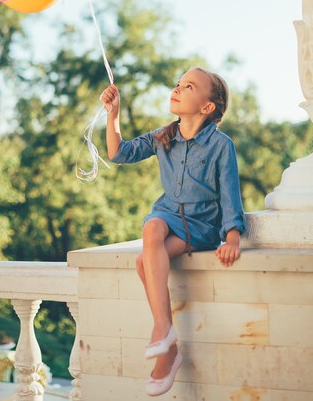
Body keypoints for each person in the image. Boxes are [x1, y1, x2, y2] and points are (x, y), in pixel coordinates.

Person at [101, 66, 246, 397]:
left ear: (207, 107)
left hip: (201, 225)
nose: (177, 89)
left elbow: (229, 193)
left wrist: (233, 237)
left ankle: (168, 348)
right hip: (167, 215)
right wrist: (113, 115)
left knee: (143, 263)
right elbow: (118, 152)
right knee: (152, 225)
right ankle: (164, 332)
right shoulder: (163, 136)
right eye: (178, 83)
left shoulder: (221, 146)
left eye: (189, 86)